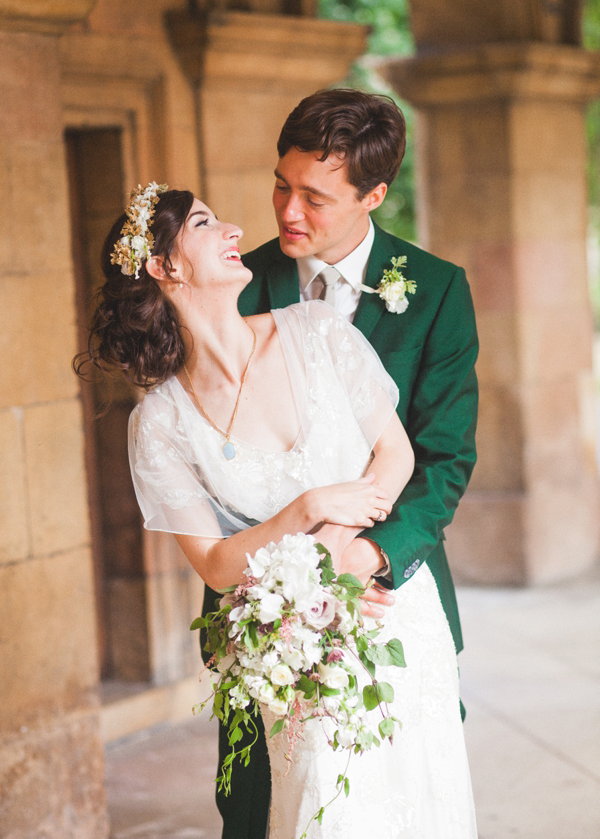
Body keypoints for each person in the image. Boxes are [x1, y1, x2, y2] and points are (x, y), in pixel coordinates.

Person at [78, 181, 477, 838]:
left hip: (386, 604)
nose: (234, 229)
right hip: (291, 640)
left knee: (423, 802)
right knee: (328, 812)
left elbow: (396, 458)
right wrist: (304, 511)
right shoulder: (159, 422)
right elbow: (213, 565)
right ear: (164, 266)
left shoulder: (317, 330)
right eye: (205, 223)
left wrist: (346, 561)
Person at [208, 88, 479, 838]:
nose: (288, 211)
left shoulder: (436, 291)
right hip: (259, 613)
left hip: (391, 596)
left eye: (316, 198)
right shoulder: (233, 288)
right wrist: (276, 576)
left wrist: (366, 557)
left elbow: (446, 459)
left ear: (374, 195)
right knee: (259, 810)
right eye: (281, 185)